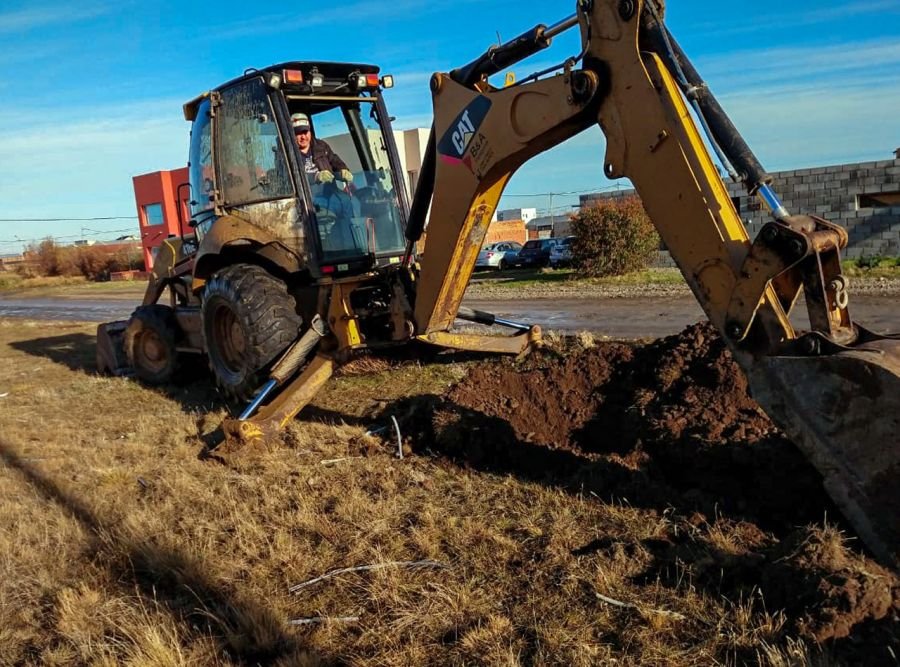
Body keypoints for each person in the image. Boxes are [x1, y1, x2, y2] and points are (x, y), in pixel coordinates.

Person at [290, 113, 353, 184]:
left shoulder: (321, 146)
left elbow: (334, 160)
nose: (303, 137)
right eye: (298, 133)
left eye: (305, 132)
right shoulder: (288, 153)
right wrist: (315, 177)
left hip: (330, 191)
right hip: (307, 194)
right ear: (292, 134)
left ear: (310, 132)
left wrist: (343, 169)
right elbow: (290, 177)